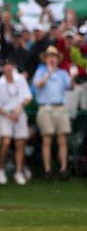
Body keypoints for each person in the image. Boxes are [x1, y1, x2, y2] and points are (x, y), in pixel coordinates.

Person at [33, 46, 74, 180]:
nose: (52, 58)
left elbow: (70, 86)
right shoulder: (41, 71)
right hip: (45, 108)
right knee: (47, 139)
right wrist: (48, 74)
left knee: (62, 139)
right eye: (49, 56)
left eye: (54, 56)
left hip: (60, 107)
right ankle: (47, 170)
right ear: (45, 59)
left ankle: (63, 169)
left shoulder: (62, 73)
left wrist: (73, 76)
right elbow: (37, 85)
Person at [0, 58, 32, 185]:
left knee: (20, 143)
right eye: (6, 66)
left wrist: (19, 109)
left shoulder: (20, 79)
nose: (9, 68)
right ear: (3, 68)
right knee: (6, 141)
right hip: (5, 115)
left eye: (11, 65)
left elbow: (27, 97)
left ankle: (19, 172)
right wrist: (10, 115)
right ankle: (0, 170)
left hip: (19, 114)